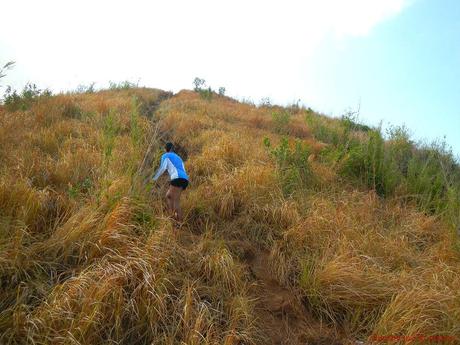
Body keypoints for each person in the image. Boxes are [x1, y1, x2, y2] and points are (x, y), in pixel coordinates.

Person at [152, 142, 189, 222]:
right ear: (172, 149)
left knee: (175, 200)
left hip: (177, 178)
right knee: (169, 196)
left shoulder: (165, 155)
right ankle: (172, 216)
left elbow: (162, 168)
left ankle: (178, 222)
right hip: (185, 179)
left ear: (166, 149)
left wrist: (154, 178)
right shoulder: (179, 157)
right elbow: (183, 169)